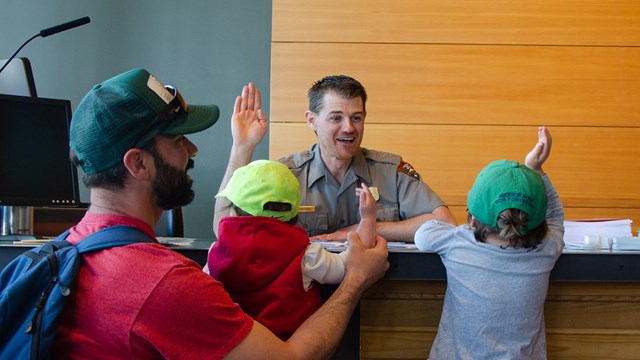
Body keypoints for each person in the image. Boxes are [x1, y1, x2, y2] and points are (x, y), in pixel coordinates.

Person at [53, 68, 389, 359]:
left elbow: (228, 227)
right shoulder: (165, 285)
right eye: (179, 139)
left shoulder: (64, 251)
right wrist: (356, 281)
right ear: (139, 163)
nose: (192, 149)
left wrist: (242, 146)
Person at [212, 75, 456, 243]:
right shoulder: (285, 175)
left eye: (356, 117)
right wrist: (242, 147)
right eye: (336, 118)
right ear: (311, 120)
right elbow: (225, 230)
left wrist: (364, 230)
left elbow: (445, 224)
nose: (349, 128)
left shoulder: (390, 171)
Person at [414, 126, 564, 359]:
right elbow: (555, 217)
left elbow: (423, 235)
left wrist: (463, 230)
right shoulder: (545, 252)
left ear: (473, 217)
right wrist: (536, 170)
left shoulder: (457, 244)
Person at [207, 159, 377, 340]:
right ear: (295, 212)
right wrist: (367, 218)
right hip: (294, 347)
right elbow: (354, 262)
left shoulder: (216, 253)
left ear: (233, 213)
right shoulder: (306, 255)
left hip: (238, 349)